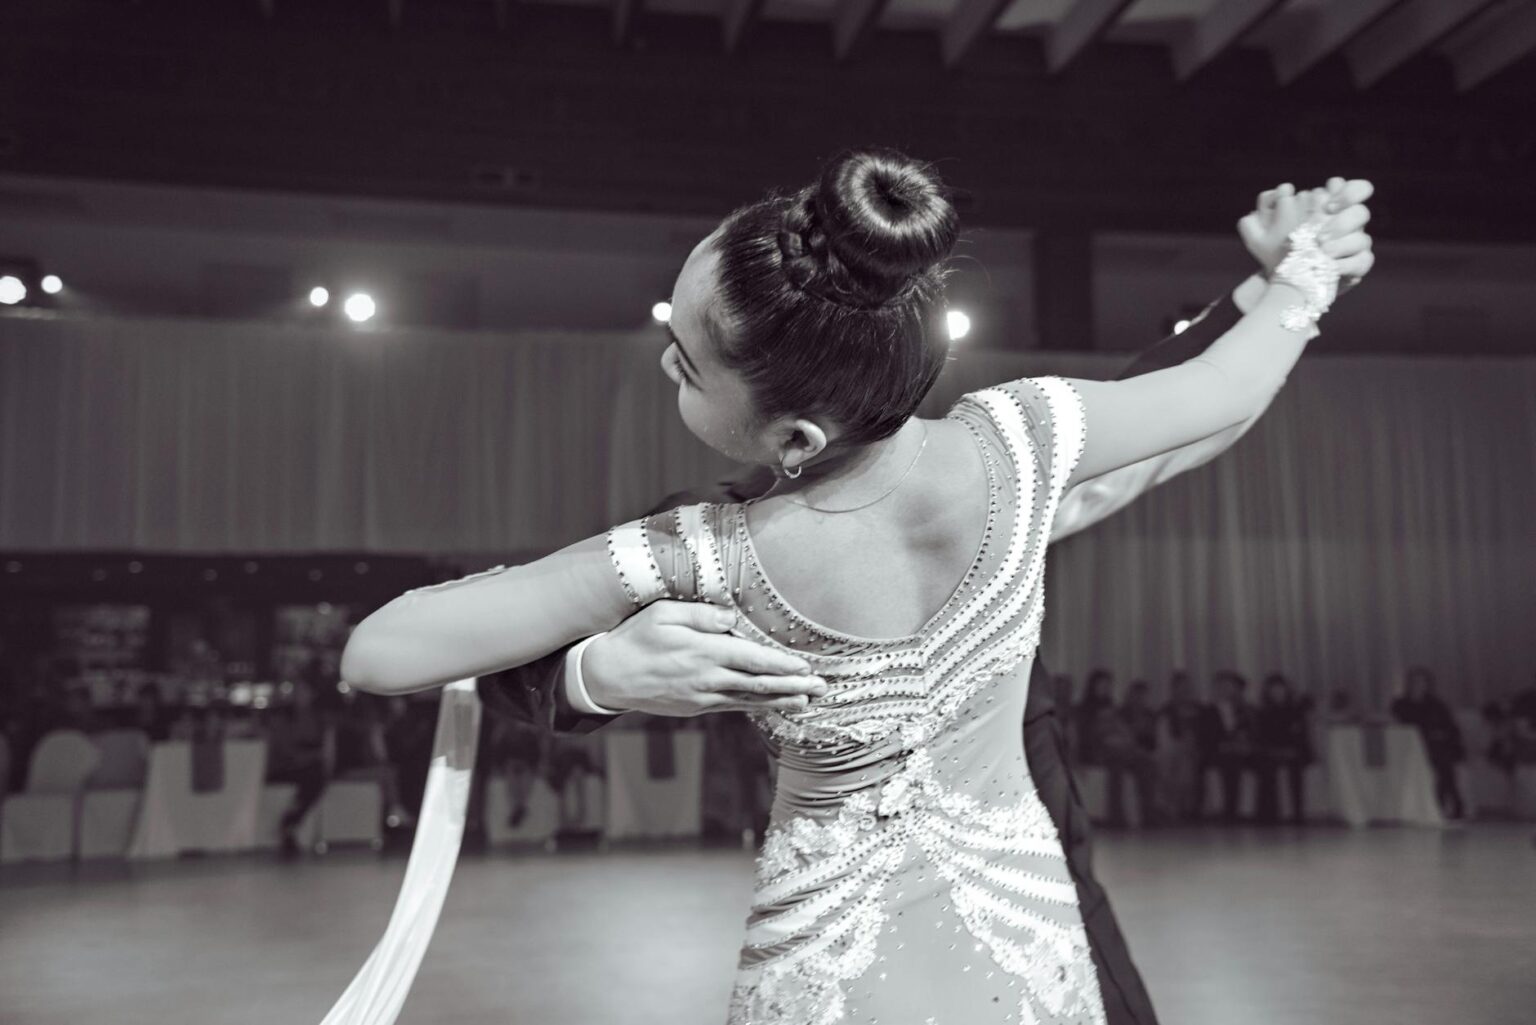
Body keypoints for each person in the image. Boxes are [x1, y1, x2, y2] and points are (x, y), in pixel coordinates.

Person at [340, 149, 1374, 1024]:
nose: (666, 366)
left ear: (792, 436)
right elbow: (1219, 389)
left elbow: (379, 651)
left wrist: (598, 660)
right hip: (1027, 931)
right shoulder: (1027, 439)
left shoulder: (703, 550)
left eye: (684, 361)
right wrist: (1303, 274)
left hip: (827, 961)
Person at [1390, 666, 1466, 821]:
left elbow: (1450, 727)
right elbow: (1396, 726)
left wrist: (1441, 734)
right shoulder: (1399, 704)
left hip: (1433, 745)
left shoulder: (1437, 704)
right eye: (1415, 681)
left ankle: (1449, 805)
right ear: (1409, 683)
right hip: (1407, 749)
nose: (1418, 685)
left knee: (1444, 763)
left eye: (1422, 682)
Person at [1250, 673, 1314, 824]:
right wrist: (1275, 750)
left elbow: (1300, 735)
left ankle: (1298, 813)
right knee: (1266, 767)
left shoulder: (1296, 710)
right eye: (1273, 690)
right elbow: (1262, 737)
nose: (1277, 693)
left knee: (1296, 766)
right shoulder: (1262, 712)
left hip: (1294, 751)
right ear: (1268, 692)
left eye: (1280, 689)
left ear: (1286, 690)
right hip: (1271, 751)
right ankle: (1269, 814)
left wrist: (1291, 749)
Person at [1199, 670, 1256, 822]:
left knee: (1246, 759)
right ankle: (1229, 811)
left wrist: (1242, 743)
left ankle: (1249, 811)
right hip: (1216, 751)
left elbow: (1248, 732)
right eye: (1222, 686)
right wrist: (1225, 745)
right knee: (1229, 761)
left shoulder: (1243, 709)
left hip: (1238, 749)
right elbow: (1205, 737)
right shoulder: (1207, 711)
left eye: (1228, 686)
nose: (1225, 689)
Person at [1156, 670, 1204, 822]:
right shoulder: (1166, 711)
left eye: (1186, 687)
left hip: (1197, 750)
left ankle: (1185, 808)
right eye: (1180, 687)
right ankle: (1176, 809)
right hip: (1173, 750)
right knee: (1179, 763)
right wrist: (1180, 747)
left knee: (1186, 763)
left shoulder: (1200, 710)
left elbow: (1206, 735)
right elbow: (1163, 738)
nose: (1184, 690)